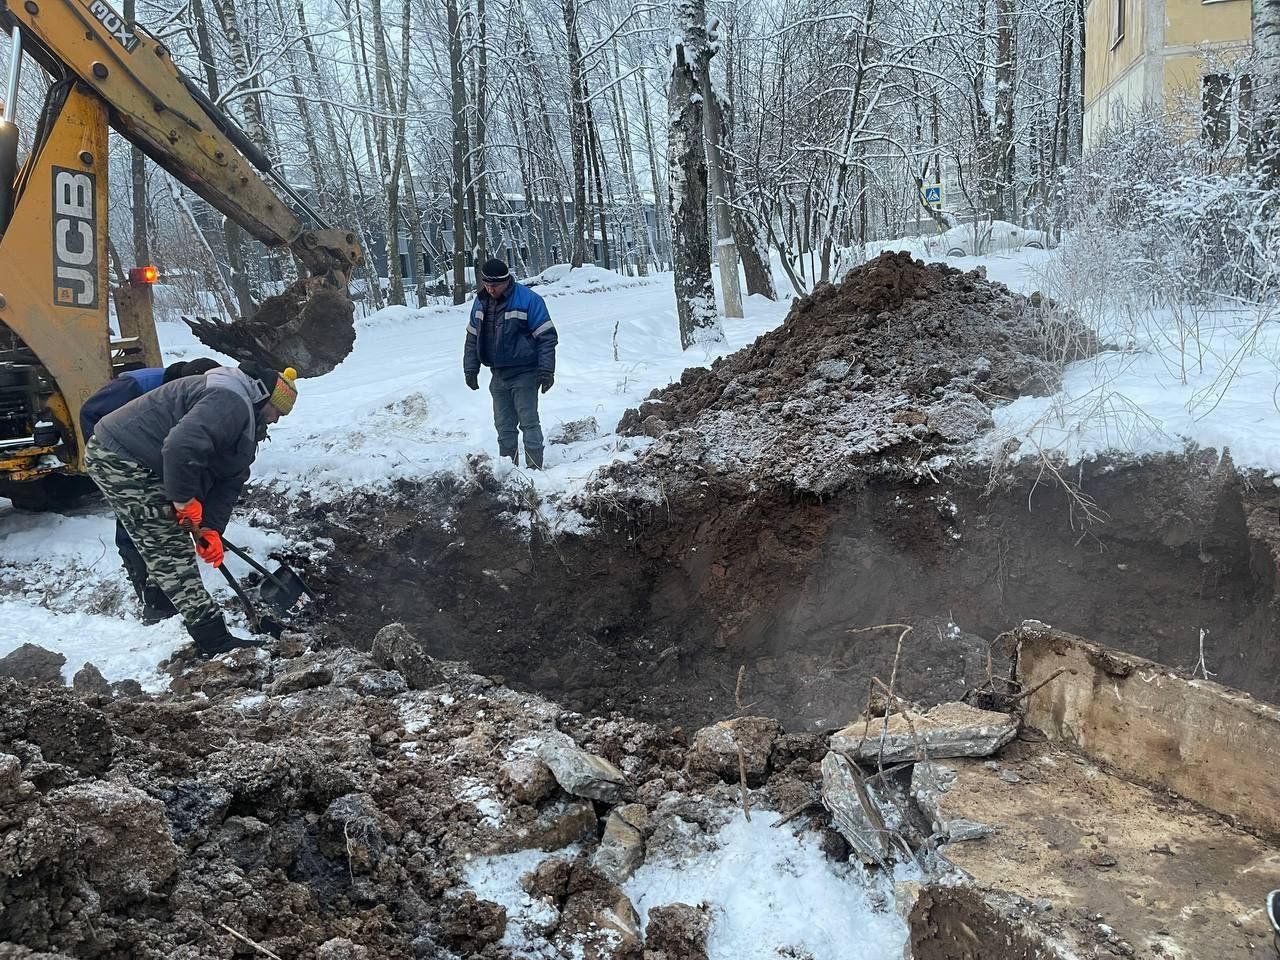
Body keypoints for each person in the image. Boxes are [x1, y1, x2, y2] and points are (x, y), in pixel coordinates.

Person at [84, 363, 298, 657]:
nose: (275, 420)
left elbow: (230, 479)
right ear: (264, 399)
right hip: (122, 457)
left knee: (166, 540)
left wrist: (210, 528)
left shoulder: (245, 418)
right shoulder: (230, 400)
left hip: (145, 459)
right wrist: (184, 501)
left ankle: (161, 605)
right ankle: (214, 640)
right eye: (277, 412)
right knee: (168, 548)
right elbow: (180, 447)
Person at [80, 358, 221, 623]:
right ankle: (144, 586)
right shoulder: (134, 389)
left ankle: (164, 594)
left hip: (151, 453)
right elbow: (91, 415)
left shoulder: (190, 397)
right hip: (114, 454)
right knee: (135, 520)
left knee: (165, 519)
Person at [463, 258, 558, 469]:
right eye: (486, 284)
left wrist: (546, 370)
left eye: (494, 285)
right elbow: (471, 337)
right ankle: (510, 472)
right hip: (498, 375)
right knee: (504, 427)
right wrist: (471, 368)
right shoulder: (481, 301)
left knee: (528, 423)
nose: (490, 289)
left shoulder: (528, 300)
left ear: (506, 281)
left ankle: (534, 471)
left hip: (525, 372)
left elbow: (546, 337)